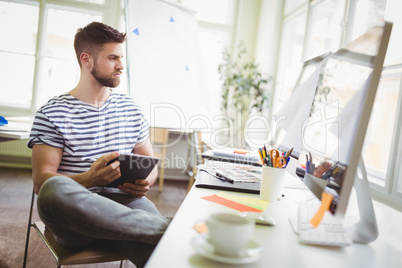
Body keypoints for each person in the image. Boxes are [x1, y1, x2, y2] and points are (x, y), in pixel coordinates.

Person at [27, 21, 170, 267]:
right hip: (77, 213)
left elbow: (151, 164)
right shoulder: (52, 112)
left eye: (121, 57)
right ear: (87, 60)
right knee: (52, 192)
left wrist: (146, 181)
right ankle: (170, 229)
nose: (121, 66)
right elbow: (42, 181)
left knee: (164, 257)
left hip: (126, 204)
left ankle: (162, 232)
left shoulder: (131, 109)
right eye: (113, 58)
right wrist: (90, 179)